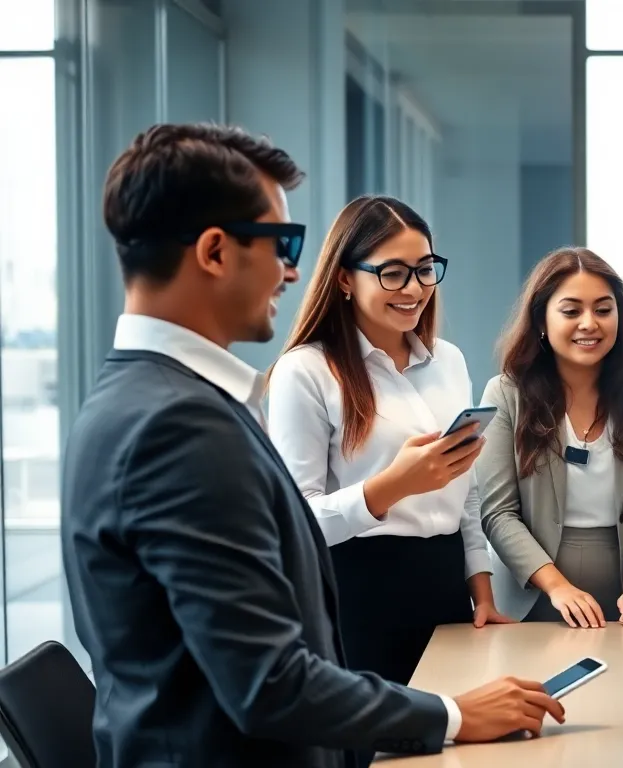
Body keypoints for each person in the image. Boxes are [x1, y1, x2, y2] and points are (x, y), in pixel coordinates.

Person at [61, 123, 563, 767]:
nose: (293, 270)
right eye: (282, 242)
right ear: (215, 252)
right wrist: (457, 715)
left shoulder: (150, 400)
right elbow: (268, 682)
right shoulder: (176, 427)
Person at [267, 195, 510, 698]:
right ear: (343, 278)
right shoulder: (307, 371)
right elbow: (296, 523)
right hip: (357, 593)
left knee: (453, 741)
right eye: (393, 273)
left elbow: (465, 494)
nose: (415, 289)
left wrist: (480, 592)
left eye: (424, 270)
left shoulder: (449, 360)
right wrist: (391, 487)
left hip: (444, 588)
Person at [475, 247, 623, 627]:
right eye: (571, 311)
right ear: (541, 319)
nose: (590, 323)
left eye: (604, 310)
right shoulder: (505, 394)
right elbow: (499, 513)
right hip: (530, 597)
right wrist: (558, 588)